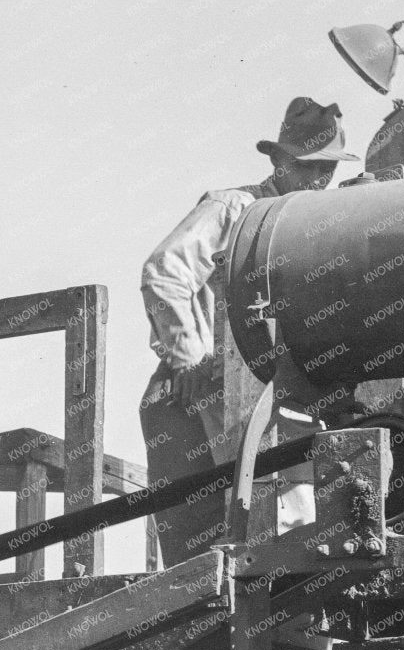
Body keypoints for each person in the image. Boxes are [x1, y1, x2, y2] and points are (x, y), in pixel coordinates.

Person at [138, 97, 357, 566]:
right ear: (278, 161)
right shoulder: (234, 207)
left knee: (290, 517)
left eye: (328, 169)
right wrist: (190, 359)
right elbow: (164, 272)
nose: (320, 179)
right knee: (232, 530)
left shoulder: (322, 224)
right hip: (209, 382)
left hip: (279, 386)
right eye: (308, 167)